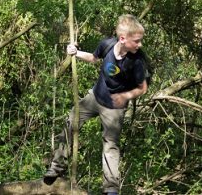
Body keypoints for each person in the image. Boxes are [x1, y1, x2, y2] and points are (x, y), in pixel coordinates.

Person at [44, 14, 149, 195]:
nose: (139, 45)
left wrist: (125, 96)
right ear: (122, 39)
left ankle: (111, 189)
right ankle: (57, 166)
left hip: (115, 107)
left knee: (110, 145)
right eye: (137, 41)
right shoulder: (107, 44)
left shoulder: (138, 61)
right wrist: (75, 53)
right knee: (70, 122)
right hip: (95, 96)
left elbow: (143, 88)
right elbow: (94, 58)